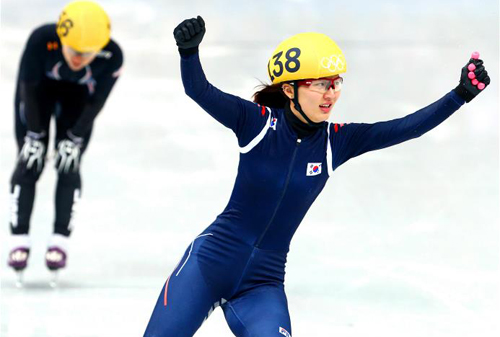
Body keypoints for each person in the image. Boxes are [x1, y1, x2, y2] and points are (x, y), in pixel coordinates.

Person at [144, 16, 490, 337]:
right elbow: (199, 91)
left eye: (336, 84)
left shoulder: (335, 142)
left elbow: (404, 129)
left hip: (261, 285)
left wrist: (459, 96)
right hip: (208, 267)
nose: (331, 94)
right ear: (290, 89)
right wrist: (189, 53)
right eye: (321, 84)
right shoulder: (256, 123)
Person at [7, 0, 123, 278]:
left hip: (78, 100)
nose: (78, 59)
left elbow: (97, 102)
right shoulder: (40, 40)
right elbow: (28, 89)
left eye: (87, 54)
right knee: (30, 159)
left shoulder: (112, 56)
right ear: (61, 39)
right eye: (73, 51)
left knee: (68, 163)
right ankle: (19, 238)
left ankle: (60, 239)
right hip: (38, 95)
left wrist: (75, 137)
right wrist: (34, 135)